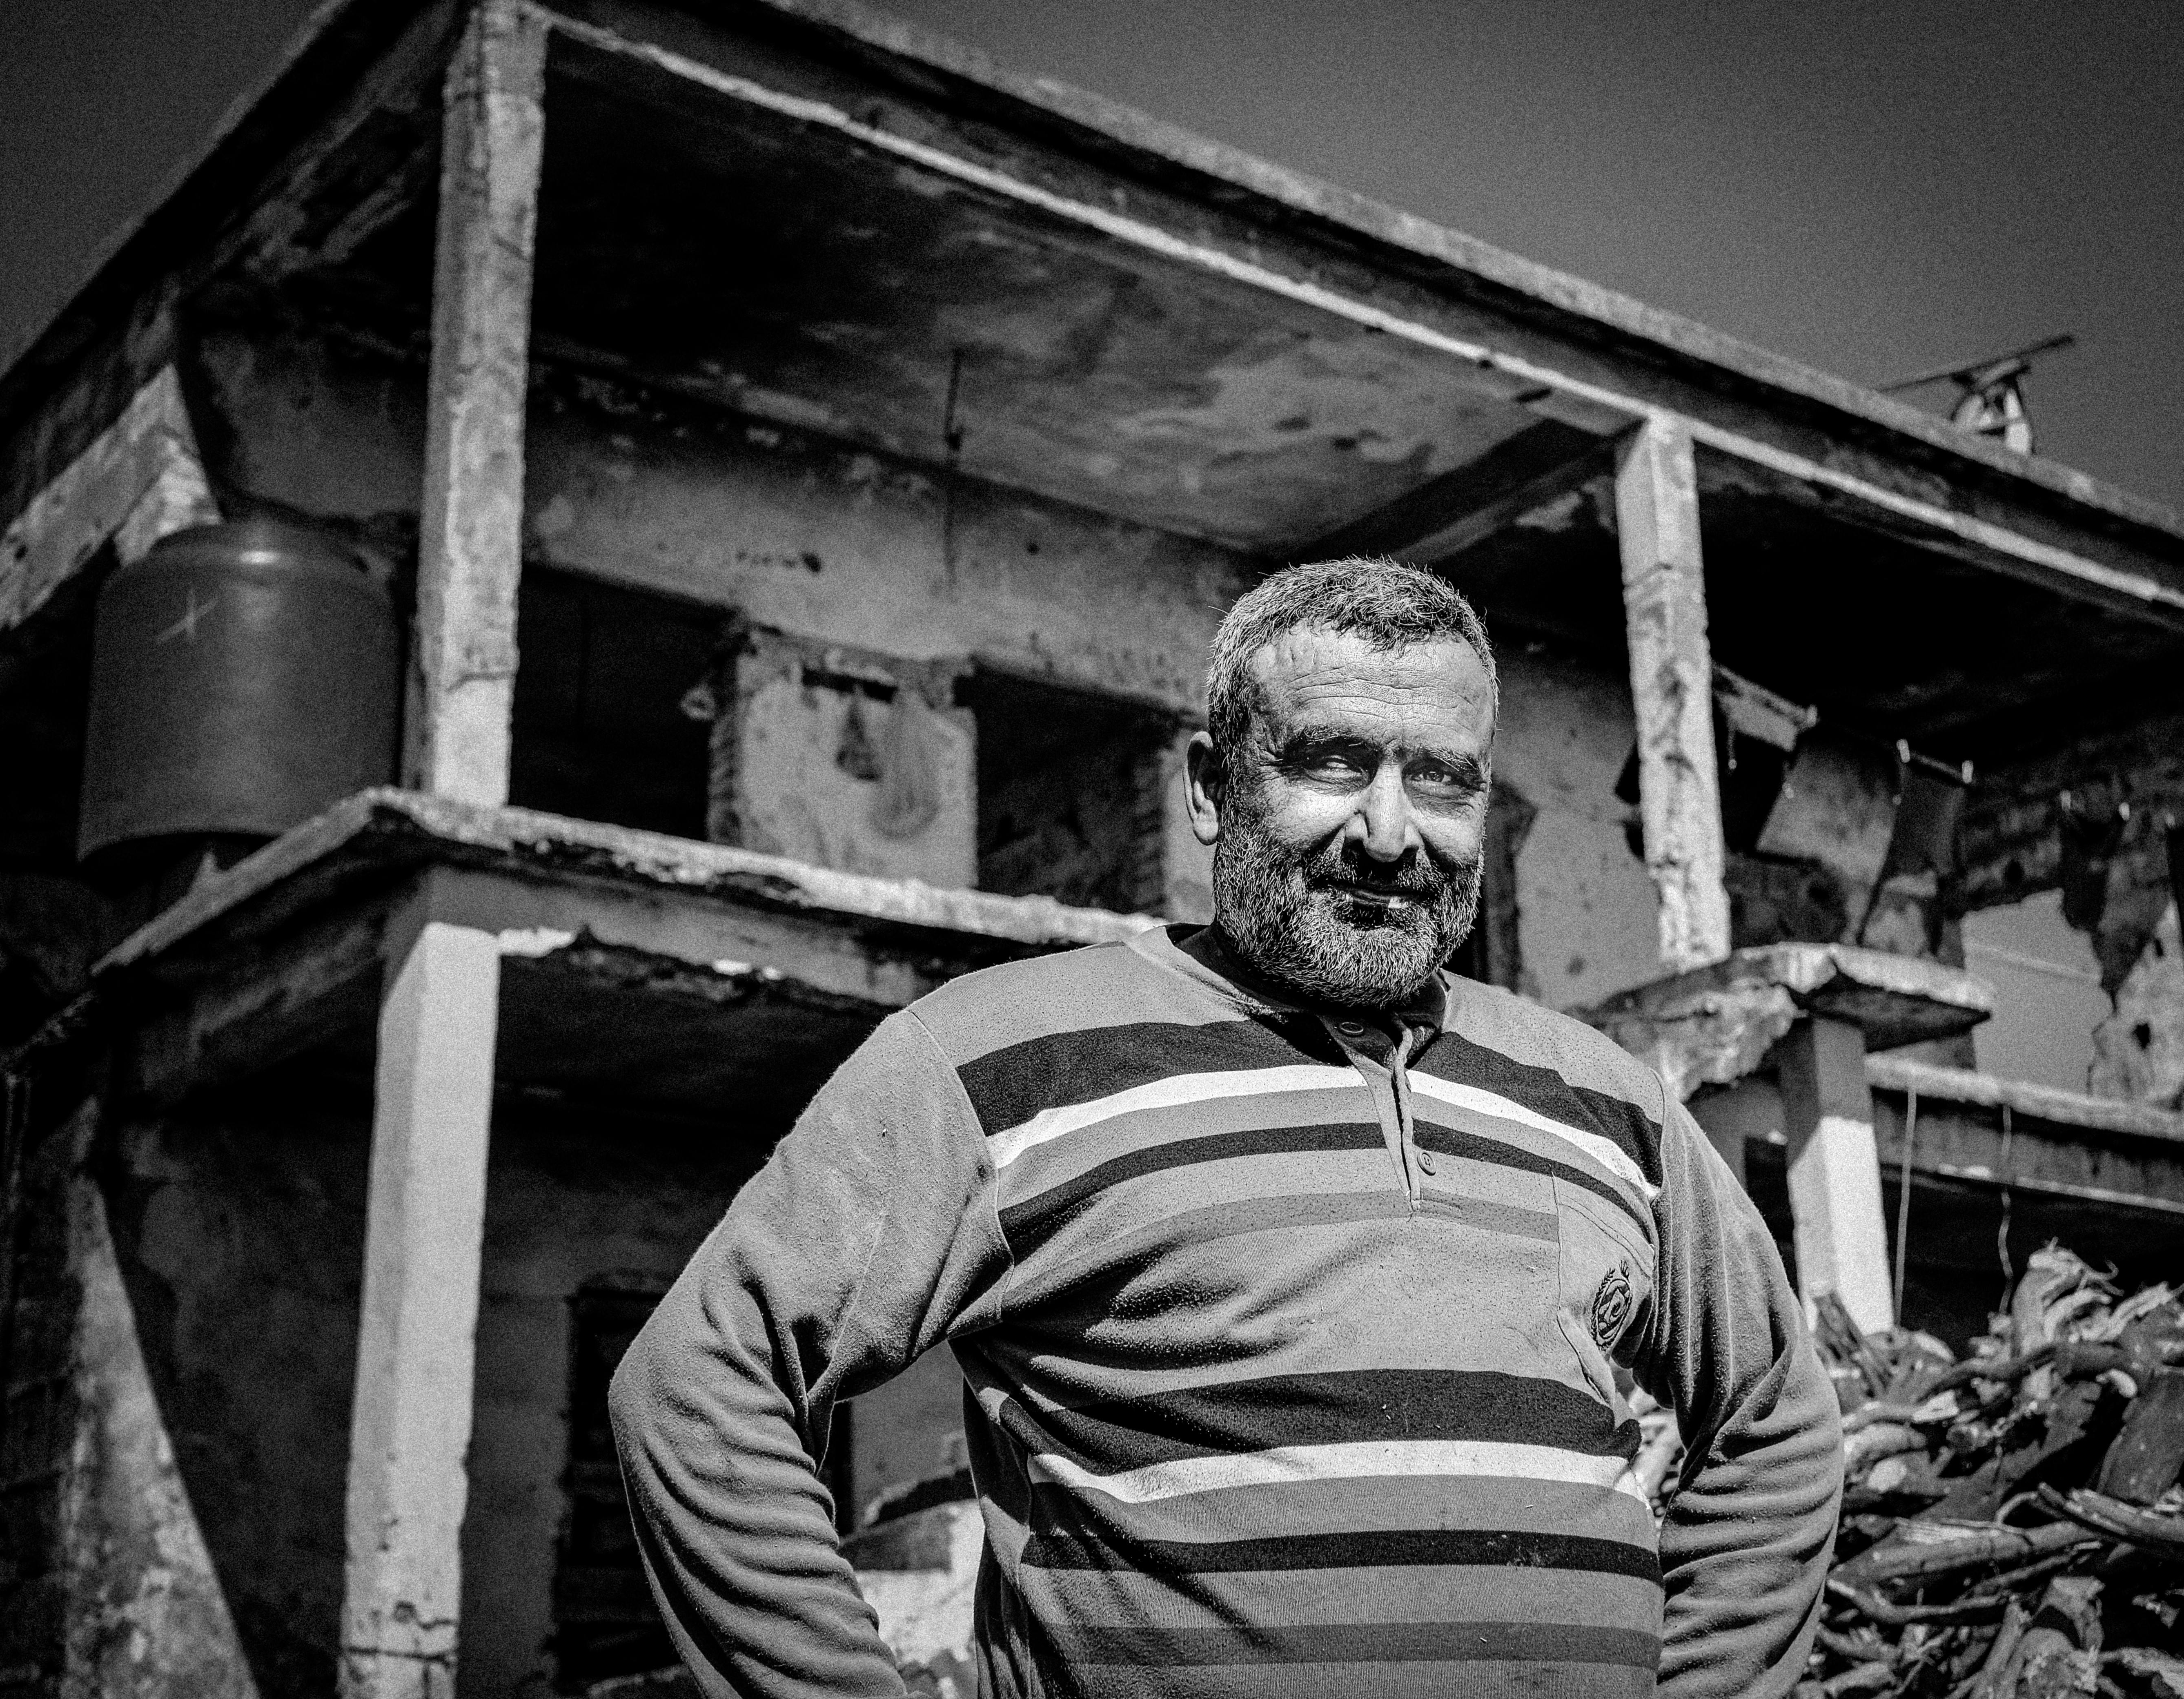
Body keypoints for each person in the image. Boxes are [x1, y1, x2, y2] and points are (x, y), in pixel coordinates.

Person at [610, 557, 1841, 1699]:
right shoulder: (997, 1062)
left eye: (1445, 778)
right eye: (1331, 763)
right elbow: (701, 1382)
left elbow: (1776, 1425)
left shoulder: (1609, 1098)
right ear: (1211, 789)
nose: (1392, 832)